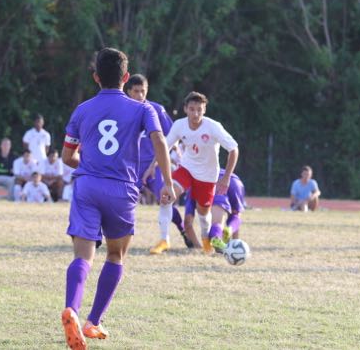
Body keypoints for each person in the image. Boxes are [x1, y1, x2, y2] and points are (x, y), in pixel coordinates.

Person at [60, 47, 175, 348]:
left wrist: (87, 166)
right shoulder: (142, 109)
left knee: (83, 256)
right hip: (122, 189)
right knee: (115, 255)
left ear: (96, 77)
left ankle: (71, 307)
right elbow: (160, 140)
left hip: (87, 186)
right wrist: (168, 183)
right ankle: (93, 321)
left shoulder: (82, 110)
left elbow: (67, 156)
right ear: (126, 77)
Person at [148, 91, 239, 255]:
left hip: (208, 176)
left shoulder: (213, 127)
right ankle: (164, 240)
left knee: (203, 213)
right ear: (185, 109)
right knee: (166, 195)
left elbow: (234, 149)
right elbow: (164, 147)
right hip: (187, 169)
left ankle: (205, 240)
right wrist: (151, 166)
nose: (195, 113)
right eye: (192, 109)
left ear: (204, 110)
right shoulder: (179, 125)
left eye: (199, 109)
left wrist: (225, 178)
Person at [124, 74, 190, 247]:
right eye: (136, 91)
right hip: (130, 166)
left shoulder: (156, 110)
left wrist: (168, 156)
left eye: (143, 91)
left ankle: (182, 230)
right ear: (128, 91)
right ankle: (119, 238)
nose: (139, 95)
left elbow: (172, 135)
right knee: (120, 201)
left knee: (166, 198)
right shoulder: (122, 110)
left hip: (155, 165)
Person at [184, 169, 247, 251]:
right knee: (236, 215)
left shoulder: (192, 188)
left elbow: (187, 223)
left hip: (213, 182)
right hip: (234, 181)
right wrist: (235, 243)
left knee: (217, 224)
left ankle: (216, 237)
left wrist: (198, 246)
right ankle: (230, 230)